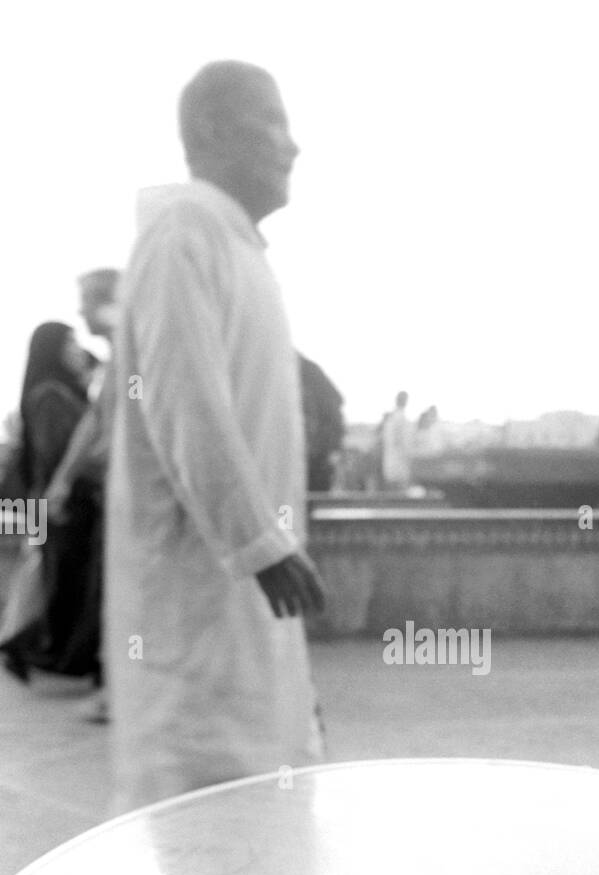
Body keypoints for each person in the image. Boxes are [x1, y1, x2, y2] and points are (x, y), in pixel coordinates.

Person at [106, 60, 326, 811]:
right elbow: (184, 398)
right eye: (272, 123)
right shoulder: (184, 230)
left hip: (247, 622)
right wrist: (260, 544)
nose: (291, 146)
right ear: (209, 131)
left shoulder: (237, 248)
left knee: (263, 821)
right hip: (198, 623)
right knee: (209, 836)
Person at [45, 269, 121, 710]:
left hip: (91, 501)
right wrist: (62, 484)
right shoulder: (55, 394)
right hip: (65, 505)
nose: (82, 313)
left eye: (89, 301)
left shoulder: (124, 360)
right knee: (71, 583)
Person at [0, 322, 91, 682]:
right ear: (54, 348)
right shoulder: (52, 394)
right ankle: (28, 646)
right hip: (52, 501)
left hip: (42, 499)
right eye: (70, 343)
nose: (77, 351)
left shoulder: (48, 390)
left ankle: (21, 644)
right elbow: (55, 451)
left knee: (39, 573)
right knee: (50, 575)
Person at [298, 354, 344, 492]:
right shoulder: (308, 370)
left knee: (288, 508)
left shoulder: (305, 370)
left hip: (314, 460)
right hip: (315, 458)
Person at [381, 390, 411, 488]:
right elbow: (399, 439)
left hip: (394, 457)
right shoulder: (398, 417)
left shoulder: (393, 417)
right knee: (398, 485)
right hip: (398, 457)